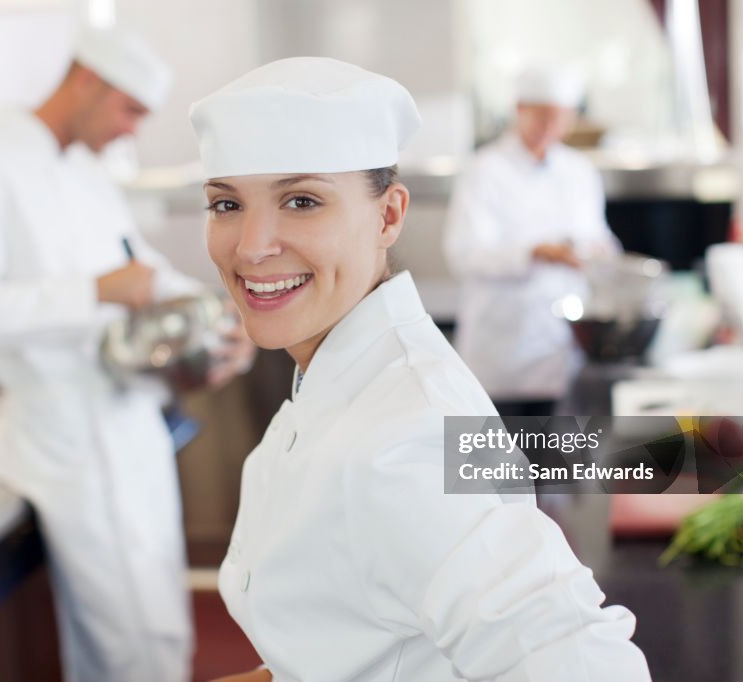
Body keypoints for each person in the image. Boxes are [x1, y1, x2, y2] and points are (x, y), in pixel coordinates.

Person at [189, 57, 650, 681]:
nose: (251, 245)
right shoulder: (334, 380)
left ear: (389, 216)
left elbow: (586, 666)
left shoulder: (407, 436)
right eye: (226, 204)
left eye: (301, 201)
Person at [0, 27, 253, 682]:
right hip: (65, 442)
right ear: (86, 82)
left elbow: (143, 272)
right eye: (128, 110)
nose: (131, 131)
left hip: (131, 427)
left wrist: (227, 321)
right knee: (125, 647)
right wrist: (90, 291)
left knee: (158, 629)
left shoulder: (85, 174)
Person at [444, 64, 621, 416]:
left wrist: (601, 254)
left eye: (559, 118)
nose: (549, 128)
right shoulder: (484, 170)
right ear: (519, 112)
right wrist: (535, 253)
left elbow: (599, 239)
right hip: (502, 349)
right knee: (497, 464)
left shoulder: (579, 171)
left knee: (558, 463)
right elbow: (463, 255)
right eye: (541, 117)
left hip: (562, 349)